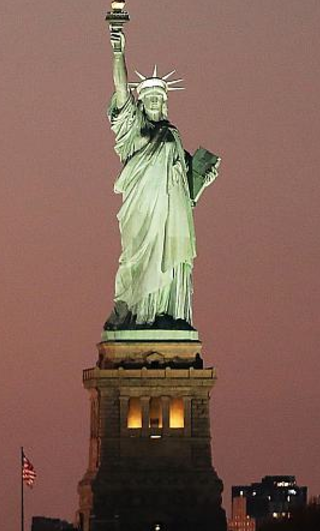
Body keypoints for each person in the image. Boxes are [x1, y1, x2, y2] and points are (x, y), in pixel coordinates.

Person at [104, 28, 218, 331]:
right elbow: (120, 91)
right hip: (142, 212)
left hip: (172, 216)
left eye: (159, 97)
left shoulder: (173, 136)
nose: (154, 101)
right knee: (137, 261)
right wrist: (118, 53)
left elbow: (185, 192)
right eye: (149, 97)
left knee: (173, 258)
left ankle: (167, 312)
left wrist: (203, 180)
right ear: (141, 102)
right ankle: (140, 314)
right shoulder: (133, 130)